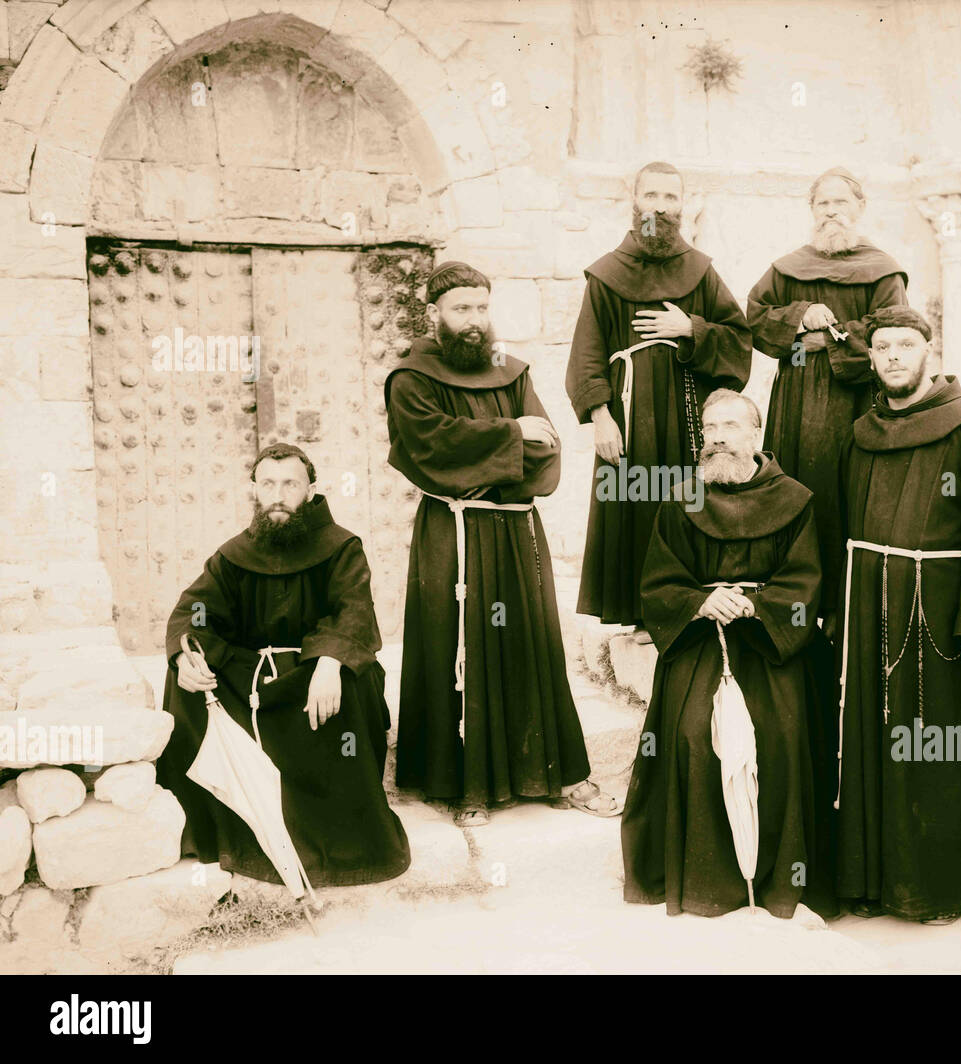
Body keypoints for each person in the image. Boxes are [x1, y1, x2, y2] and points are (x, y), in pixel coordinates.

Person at [384, 261, 617, 826]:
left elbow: (548, 448)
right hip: (453, 533)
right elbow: (428, 448)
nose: (474, 320)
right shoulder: (411, 378)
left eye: (481, 307)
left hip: (514, 531)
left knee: (532, 645)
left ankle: (556, 773)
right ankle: (466, 786)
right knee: (455, 649)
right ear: (434, 313)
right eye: (461, 308)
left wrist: (486, 459)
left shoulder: (510, 372)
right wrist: (509, 435)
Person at [834, 306, 961, 924]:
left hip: (941, 614)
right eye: (881, 347)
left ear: (927, 354)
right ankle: (872, 883)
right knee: (873, 741)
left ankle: (945, 889)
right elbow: (844, 533)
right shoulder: (863, 431)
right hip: (868, 608)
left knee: (941, 748)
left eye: (904, 346)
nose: (891, 357)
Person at [621, 389, 836, 919]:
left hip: (770, 644)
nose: (718, 437)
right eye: (710, 427)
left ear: (756, 435)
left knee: (781, 736)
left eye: (731, 426)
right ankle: (703, 882)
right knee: (692, 733)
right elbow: (657, 579)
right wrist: (699, 602)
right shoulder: (680, 498)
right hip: (699, 640)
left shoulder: (797, 499)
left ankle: (781, 880)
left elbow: (806, 580)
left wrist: (757, 607)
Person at [157, 443, 410, 886]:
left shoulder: (341, 547)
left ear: (311, 490)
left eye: (290, 483)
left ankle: (346, 839)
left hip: (314, 676)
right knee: (185, 678)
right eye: (268, 484)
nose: (278, 494)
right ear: (254, 491)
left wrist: (330, 662)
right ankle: (216, 830)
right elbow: (194, 613)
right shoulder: (233, 555)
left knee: (353, 680)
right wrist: (185, 654)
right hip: (253, 679)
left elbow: (354, 611)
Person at [566, 161, 752, 634]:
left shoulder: (701, 271)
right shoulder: (606, 275)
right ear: (634, 200)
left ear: (682, 205)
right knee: (637, 498)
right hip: (631, 414)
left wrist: (690, 328)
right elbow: (587, 351)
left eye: (671, 198)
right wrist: (600, 416)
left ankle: (694, 604)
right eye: (652, 196)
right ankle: (641, 614)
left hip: (690, 409)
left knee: (687, 501)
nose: (662, 208)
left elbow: (738, 339)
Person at [748, 166, 908, 587]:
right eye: (823, 203)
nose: (831, 211)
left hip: (857, 402)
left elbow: (894, 330)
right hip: (796, 404)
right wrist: (800, 316)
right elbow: (754, 317)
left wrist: (829, 341)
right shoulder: (787, 268)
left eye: (840, 202)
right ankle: (794, 596)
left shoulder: (882, 269)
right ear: (812, 210)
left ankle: (848, 606)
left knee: (852, 496)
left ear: (860, 207)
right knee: (796, 492)